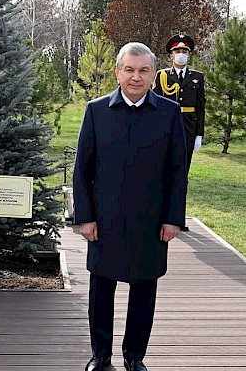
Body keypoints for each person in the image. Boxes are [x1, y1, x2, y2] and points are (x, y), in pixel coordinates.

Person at [73, 42, 187, 371]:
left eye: (143, 71)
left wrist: (173, 219)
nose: (136, 77)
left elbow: (178, 172)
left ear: (153, 74)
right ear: (118, 72)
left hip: (150, 221)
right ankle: (100, 354)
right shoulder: (96, 111)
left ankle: (134, 356)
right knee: (101, 289)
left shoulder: (169, 113)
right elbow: (82, 170)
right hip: (104, 220)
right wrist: (85, 218)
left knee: (143, 291)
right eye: (129, 69)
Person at [152, 34, 205, 231]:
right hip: (165, 129)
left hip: (188, 129)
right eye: (177, 51)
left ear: (189, 55)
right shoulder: (162, 76)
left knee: (182, 174)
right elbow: (155, 104)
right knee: (162, 173)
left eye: (184, 51)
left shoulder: (197, 77)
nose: (181, 54)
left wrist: (199, 134)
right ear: (171, 56)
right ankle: (160, 215)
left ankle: (177, 218)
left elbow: (201, 107)